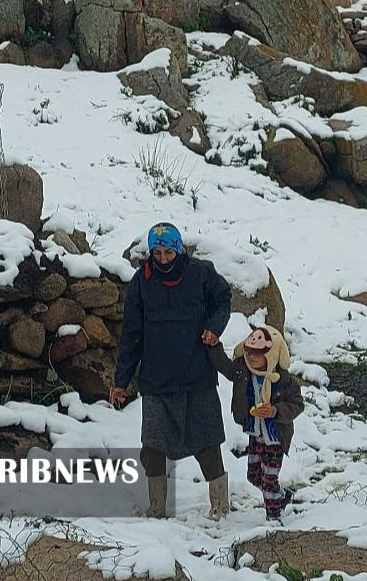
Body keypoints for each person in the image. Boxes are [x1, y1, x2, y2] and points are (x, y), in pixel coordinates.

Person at [110, 222, 233, 521]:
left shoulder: (201, 273)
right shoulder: (141, 282)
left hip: (197, 373)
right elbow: (132, 334)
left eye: (168, 252)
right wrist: (121, 380)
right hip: (156, 378)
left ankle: (220, 505)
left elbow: (223, 299)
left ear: (178, 250)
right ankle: (157, 507)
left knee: (207, 440)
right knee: (152, 445)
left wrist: (214, 328)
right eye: (157, 252)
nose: (163, 259)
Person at [208, 325, 304, 521]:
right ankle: (280, 496)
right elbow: (225, 367)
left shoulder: (283, 380)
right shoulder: (243, 371)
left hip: (276, 435)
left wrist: (275, 411)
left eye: (258, 354)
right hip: (256, 434)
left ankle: (273, 518)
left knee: (269, 478)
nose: (252, 357)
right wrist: (214, 346)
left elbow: (297, 404)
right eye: (249, 352)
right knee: (254, 476)